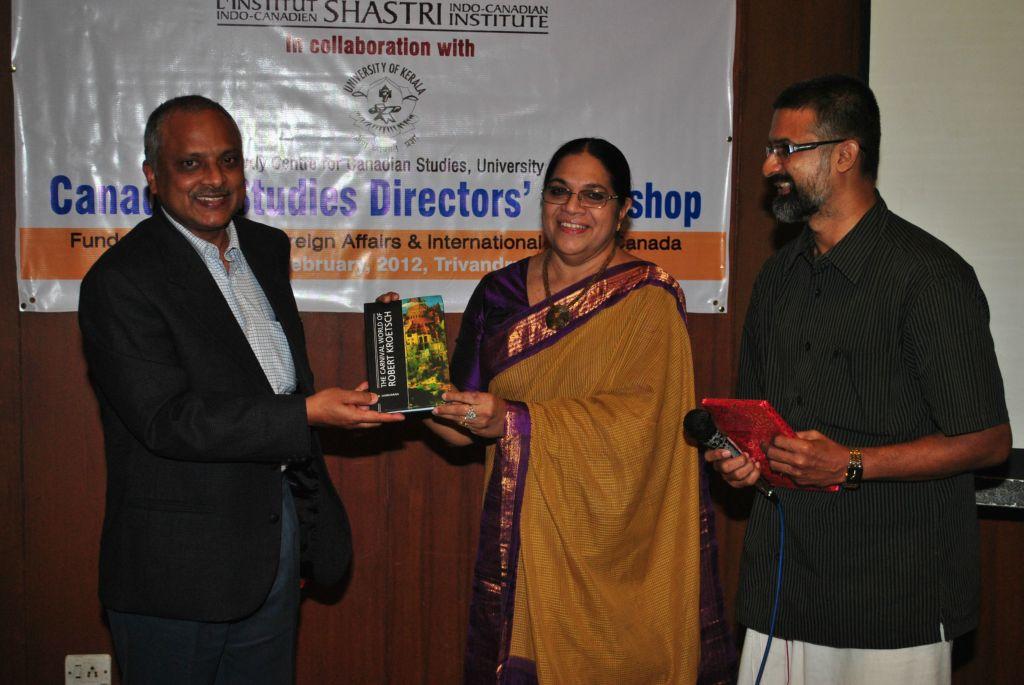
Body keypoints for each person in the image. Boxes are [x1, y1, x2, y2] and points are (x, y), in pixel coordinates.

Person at [78, 95, 403, 684]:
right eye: (191, 163)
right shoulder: (121, 280)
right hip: (174, 569)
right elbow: (169, 419)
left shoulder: (265, 248)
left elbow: (270, 378)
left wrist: (339, 401)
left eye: (228, 161)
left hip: (271, 543)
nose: (214, 179)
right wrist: (308, 413)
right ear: (152, 176)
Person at [384, 138, 735, 683]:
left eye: (594, 195)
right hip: (525, 547)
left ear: (623, 213)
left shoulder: (648, 300)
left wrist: (517, 421)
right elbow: (464, 431)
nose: (573, 209)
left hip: (621, 556)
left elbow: (647, 429)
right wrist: (411, 369)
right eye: (559, 192)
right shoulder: (498, 293)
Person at [706, 74, 1011, 684]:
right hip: (782, 591)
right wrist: (739, 458)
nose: (771, 166)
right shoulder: (777, 279)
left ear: (845, 154)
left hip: (892, 603)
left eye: (787, 149)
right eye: (771, 149)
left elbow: (988, 441)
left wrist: (851, 464)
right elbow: (757, 420)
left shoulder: (928, 278)